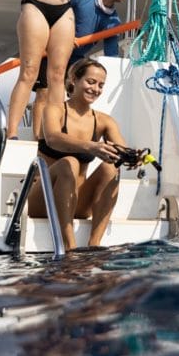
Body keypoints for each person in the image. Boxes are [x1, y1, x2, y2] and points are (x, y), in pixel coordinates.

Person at [6, 0, 97, 140]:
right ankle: (13, 131)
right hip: (35, 4)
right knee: (29, 71)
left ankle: (53, 132)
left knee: (58, 75)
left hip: (63, 9)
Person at [29, 58, 128, 249]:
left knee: (111, 168)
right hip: (44, 200)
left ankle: (94, 243)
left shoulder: (104, 121)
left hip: (79, 204)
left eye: (101, 85)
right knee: (70, 163)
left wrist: (133, 157)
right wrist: (91, 147)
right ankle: (69, 246)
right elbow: (53, 139)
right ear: (73, 79)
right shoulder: (53, 110)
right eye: (91, 82)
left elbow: (122, 149)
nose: (96, 89)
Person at [31, 0, 137, 139]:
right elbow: (51, 10)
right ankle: (37, 140)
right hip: (52, 50)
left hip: (75, 59)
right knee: (44, 92)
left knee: (67, 96)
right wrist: (62, 34)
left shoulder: (114, 22)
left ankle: (54, 137)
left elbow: (111, 55)